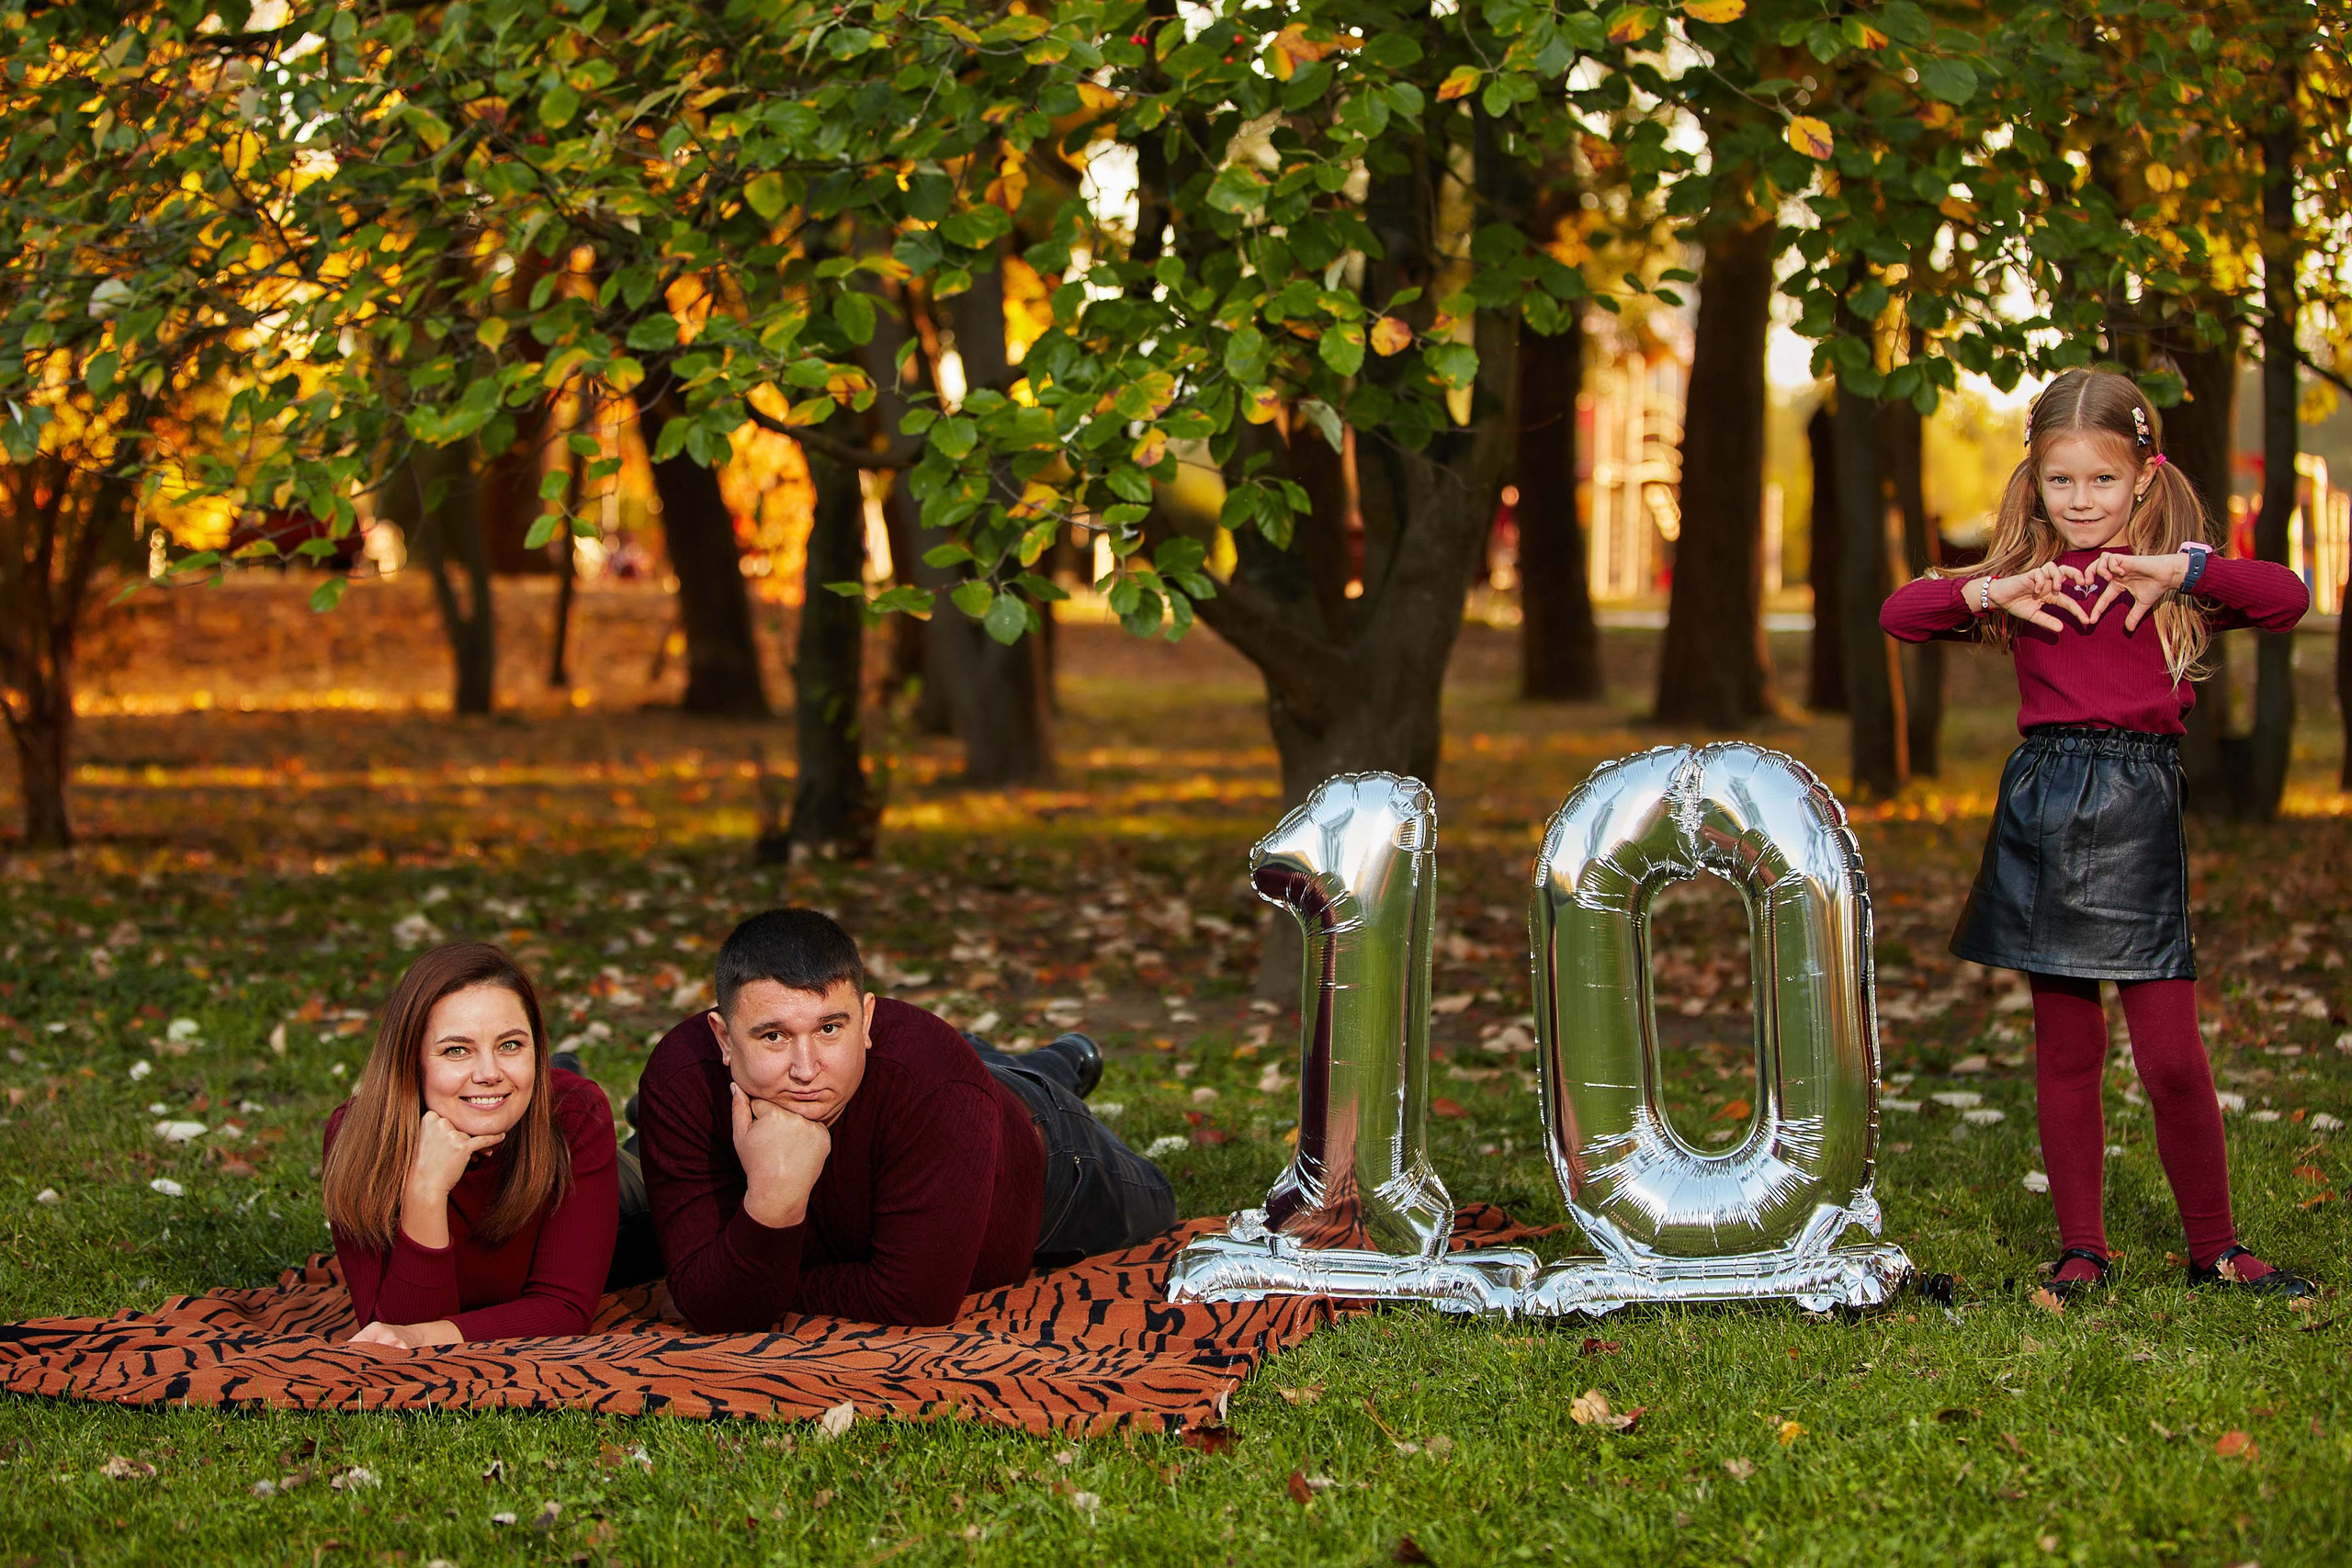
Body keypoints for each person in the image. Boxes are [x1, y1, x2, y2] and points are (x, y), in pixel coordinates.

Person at [1880, 367, 2315, 1301]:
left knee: (2168, 1052)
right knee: (2065, 1046)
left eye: (2103, 480)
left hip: (2138, 807)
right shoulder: (2025, 581)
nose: (2082, 501)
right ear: (2033, 481)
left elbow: (2287, 597)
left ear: (2144, 477)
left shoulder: (2172, 576)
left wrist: (2182, 570)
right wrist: (1988, 596)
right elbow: (1900, 614)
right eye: (2060, 481)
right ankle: (2083, 1247)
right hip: (2044, 807)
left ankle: (2217, 1248)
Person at [629, 908, 1175, 1331]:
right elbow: (714, 1305)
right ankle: (1051, 1059)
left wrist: (761, 1262)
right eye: (773, 1036)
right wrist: (776, 1198)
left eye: (829, 1029)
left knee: (1160, 1200)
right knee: (961, 1068)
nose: (804, 1069)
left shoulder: (938, 1087)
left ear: (867, 1020)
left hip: (1047, 1155)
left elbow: (914, 1300)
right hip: (940, 1081)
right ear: (724, 1039)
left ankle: (1056, 1066)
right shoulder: (682, 1081)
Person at [322, 942, 620, 1345]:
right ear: (412, 1060)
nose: (488, 1072)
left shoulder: (576, 1115)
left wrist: (423, 1337)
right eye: (457, 1050)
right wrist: (425, 1191)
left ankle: (602, 1099)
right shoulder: (357, 1137)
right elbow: (390, 1330)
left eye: (511, 1045)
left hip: (622, 1201)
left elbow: (563, 1308)